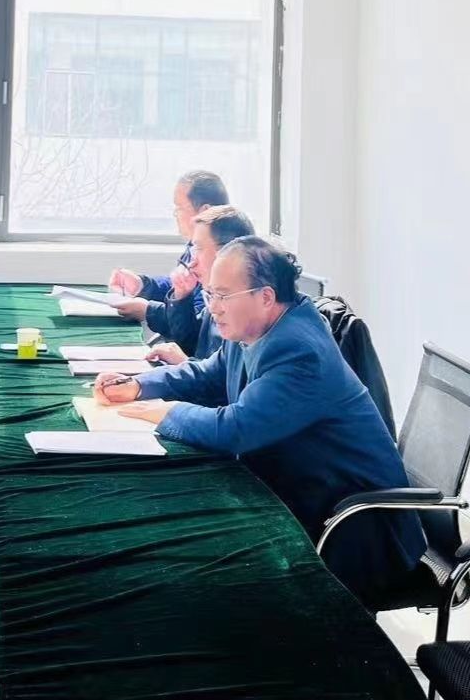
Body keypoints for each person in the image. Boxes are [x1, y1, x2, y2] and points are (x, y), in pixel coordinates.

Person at [94, 236, 427, 607]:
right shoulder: (255, 327)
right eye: (210, 294)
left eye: (222, 296)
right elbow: (208, 374)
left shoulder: (299, 350)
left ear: (265, 297)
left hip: (353, 529)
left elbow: (235, 429)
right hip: (302, 495)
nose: (212, 307)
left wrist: (167, 412)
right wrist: (140, 385)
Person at [109, 170, 228, 337]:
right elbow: (179, 285)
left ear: (204, 211)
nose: (175, 215)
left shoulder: (221, 257)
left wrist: (149, 312)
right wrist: (143, 285)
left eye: (179, 208)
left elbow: (197, 324)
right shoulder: (196, 246)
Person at [141, 204, 254, 366]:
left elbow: (224, 377)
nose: (192, 263)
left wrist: (184, 362)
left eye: (199, 249)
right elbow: (192, 344)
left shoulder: (243, 308)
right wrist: (182, 298)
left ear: (227, 252)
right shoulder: (215, 296)